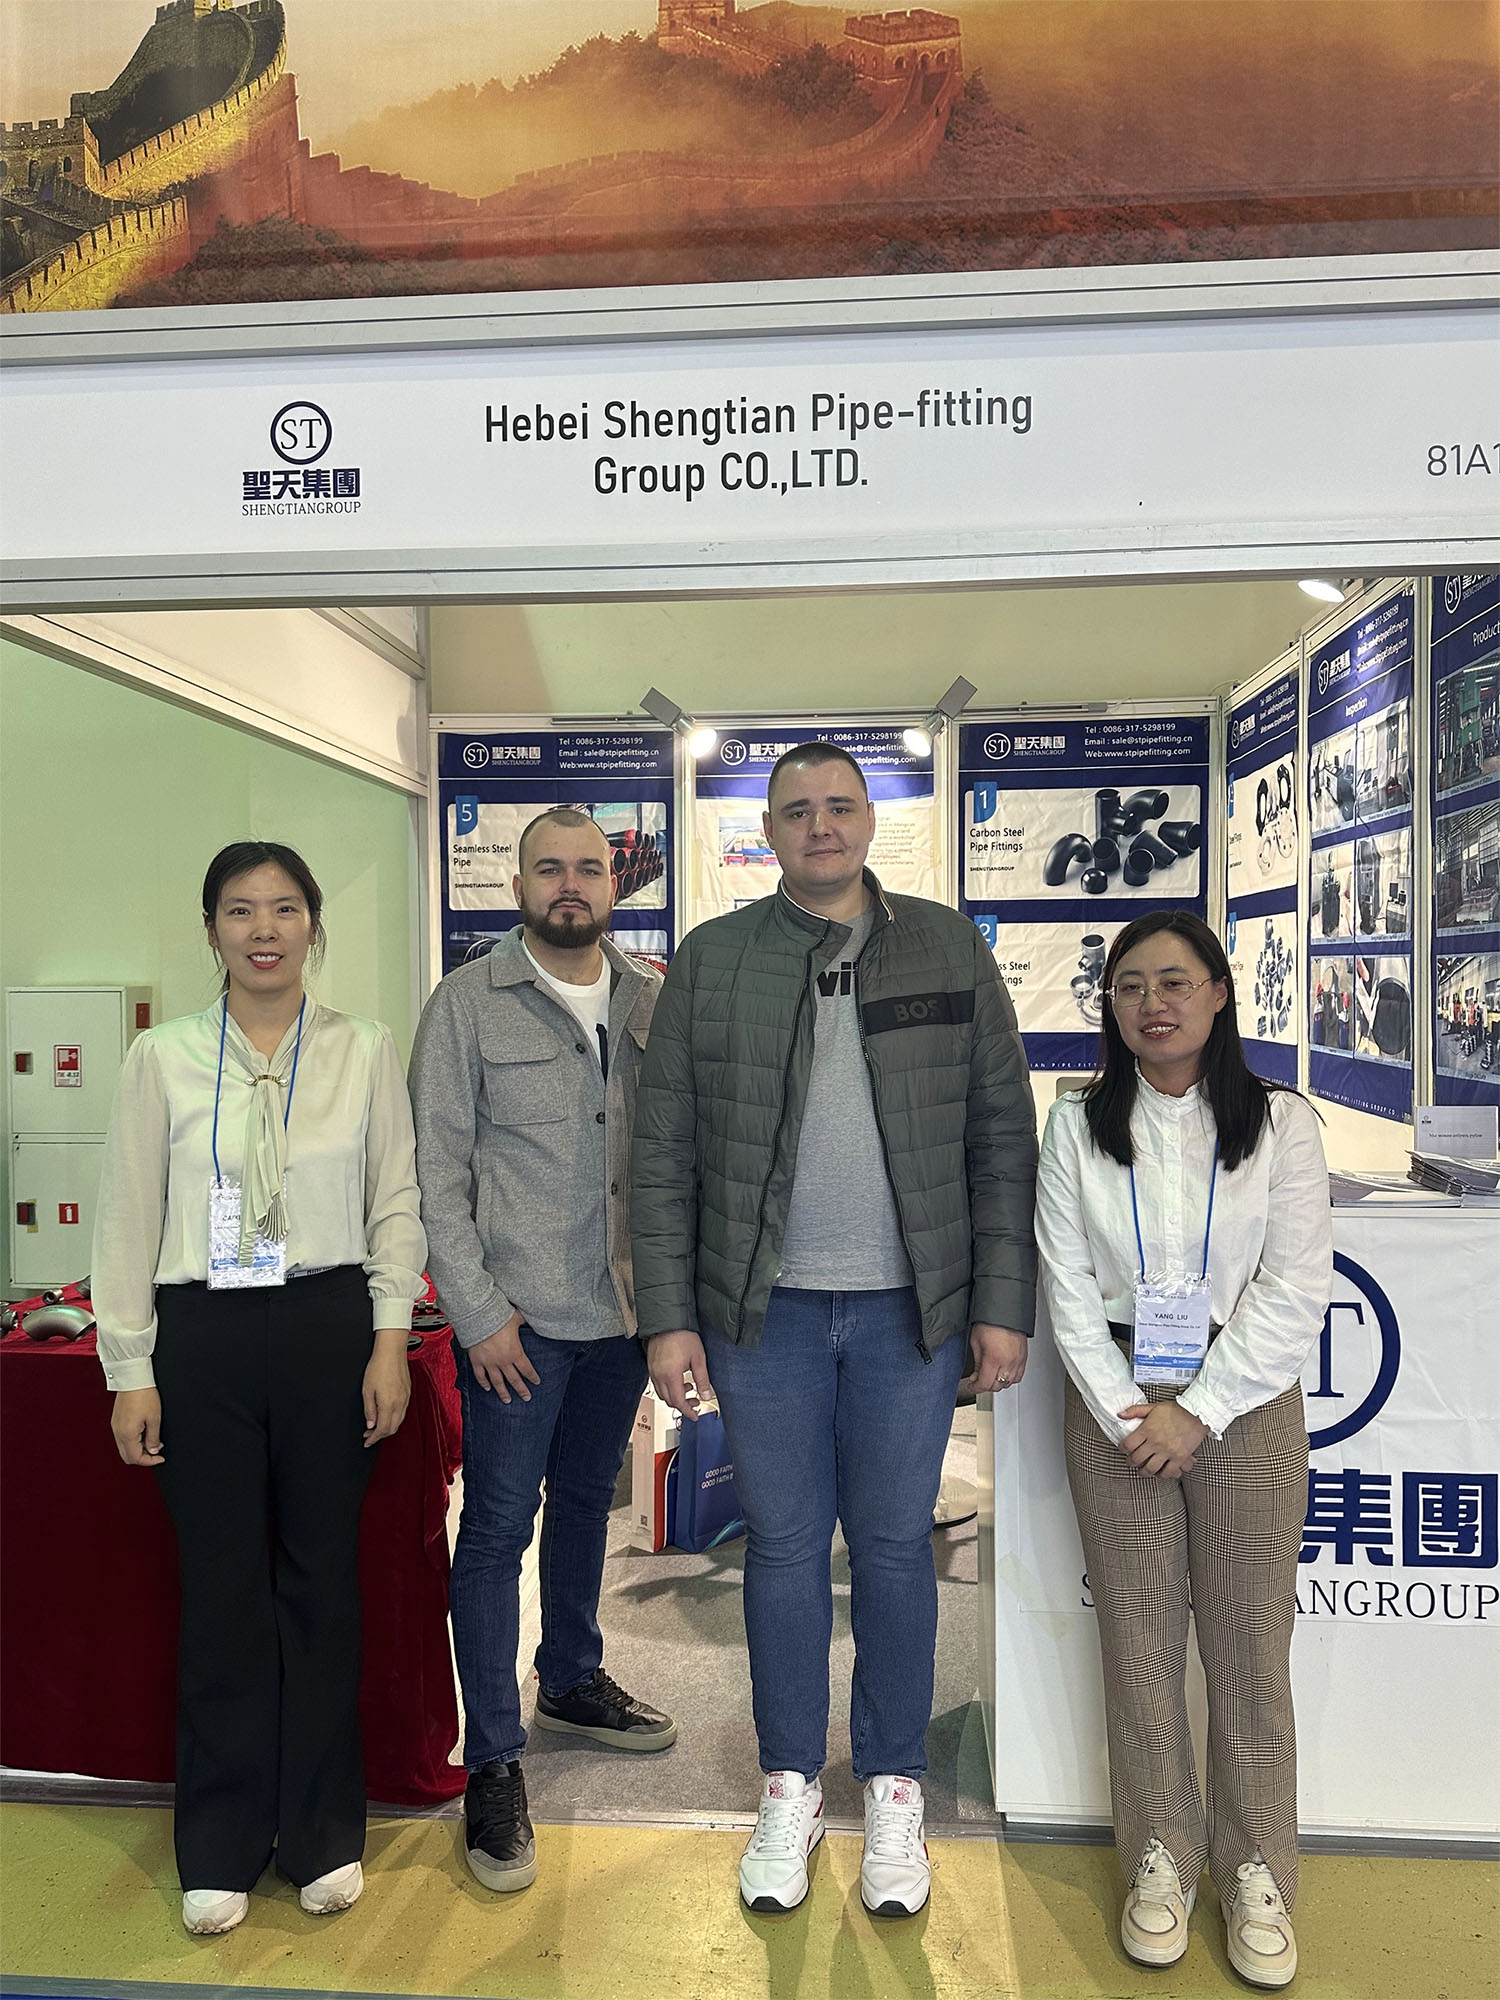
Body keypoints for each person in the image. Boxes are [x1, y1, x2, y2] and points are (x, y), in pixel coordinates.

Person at [631, 742, 1037, 1919]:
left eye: (841, 806)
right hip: (765, 1314)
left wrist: (1000, 1301)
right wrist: (668, 1317)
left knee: (899, 1547)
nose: (821, 825)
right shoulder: (716, 961)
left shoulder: (946, 948)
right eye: (798, 809)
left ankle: (895, 1783)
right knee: (785, 1547)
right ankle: (792, 1783)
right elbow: (662, 1154)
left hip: (914, 1311)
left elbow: (1001, 1135)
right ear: (767, 830)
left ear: (870, 821)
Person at [94, 841, 426, 1937]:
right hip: (206, 1335)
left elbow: (394, 1200)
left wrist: (388, 1341)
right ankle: (223, 1840)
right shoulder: (162, 1057)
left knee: (323, 1584)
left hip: (329, 1325)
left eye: (285, 908)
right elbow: (128, 1215)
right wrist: (130, 1367)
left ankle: (323, 1831)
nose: (264, 929)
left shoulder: (363, 1047)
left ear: (314, 925)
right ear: (212, 931)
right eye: (240, 910)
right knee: (224, 1589)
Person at [1034, 910, 1332, 1990]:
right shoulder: (1075, 1125)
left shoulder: (1283, 1123)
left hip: (1244, 1399)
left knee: (1250, 1645)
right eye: (1129, 987)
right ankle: (1160, 1854)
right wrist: (1131, 1407)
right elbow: (1066, 1285)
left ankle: (1257, 1869)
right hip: (1112, 1399)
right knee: (1140, 1643)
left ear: (1218, 991)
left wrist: (1197, 1408)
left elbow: (1294, 1286)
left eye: (1173, 981)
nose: (1151, 1004)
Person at [408, 807, 675, 1899]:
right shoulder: (466, 1004)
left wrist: (667, 1307)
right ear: (516, 884)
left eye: (588, 868)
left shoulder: (651, 999)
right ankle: (494, 1755)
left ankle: (569, 1676)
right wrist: (478, 1315)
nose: (570, 884)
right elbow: (435, 1171)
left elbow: (673, 1159)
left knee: (584, 1508)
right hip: (514, 1329)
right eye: (549, 868)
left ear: (614, 883)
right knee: (495, 1528)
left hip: (618, 1319)